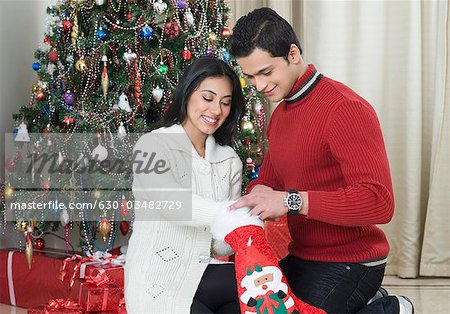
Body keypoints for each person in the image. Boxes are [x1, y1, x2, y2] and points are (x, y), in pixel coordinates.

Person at [229, 7, 414, 314]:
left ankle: (391, 309)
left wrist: (290, 201)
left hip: (351, 262)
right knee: (250, 304)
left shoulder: (345, 109)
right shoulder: (282, 113)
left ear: (292, 54)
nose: (259, 86)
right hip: (303, 255)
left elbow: (380, 203)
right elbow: (268, 184)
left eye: (266, 72)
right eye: (250, 76)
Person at [125, 57, 248, 313]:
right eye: (208, 98)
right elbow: (174, 204)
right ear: (188, 92)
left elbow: (221, 246)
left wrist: (249, 217)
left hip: (204, 276)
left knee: (262, 291)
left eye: (225, 103)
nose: (216, 110)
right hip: (158, 282)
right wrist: (229, 216)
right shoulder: (151, 146)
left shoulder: (230, 161)